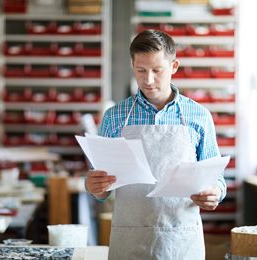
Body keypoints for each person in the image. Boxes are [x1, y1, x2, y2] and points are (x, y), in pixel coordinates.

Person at [85, 29, 227, 259]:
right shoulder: (114, 117)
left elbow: (216, 177)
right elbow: (99, 183)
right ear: (132, 65)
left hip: (180, 240)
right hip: (129, 240)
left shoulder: (199, 116)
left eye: (157, 70)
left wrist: (216, 192)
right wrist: (94, 186)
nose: (148, 80)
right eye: (141, 70)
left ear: (174, 66)